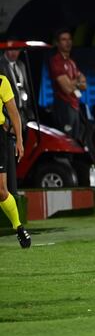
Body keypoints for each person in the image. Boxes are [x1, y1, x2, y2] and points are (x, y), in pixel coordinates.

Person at [0, 73, 30, 248]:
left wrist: (19, 140)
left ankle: (18, 227)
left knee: (2, 191)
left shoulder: (2, 81)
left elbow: (14, 112)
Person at [49, 29, 86, 140]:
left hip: (75, 105)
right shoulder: (56, 61)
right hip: (64, 105)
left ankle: (72, 158)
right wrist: (76, 82)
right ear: (57, 43)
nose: (68, 42)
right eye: (64, 40)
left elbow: (85, 84)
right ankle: (64, 158)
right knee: (66, 139)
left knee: (76, 138)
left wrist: (72, 82)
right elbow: (66, 88)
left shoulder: (71, 62)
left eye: (69, 39)